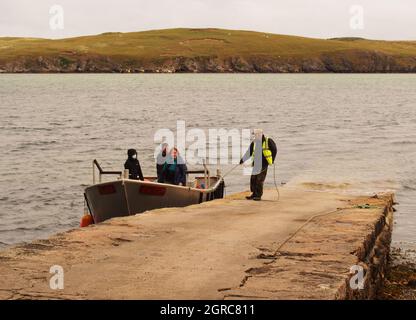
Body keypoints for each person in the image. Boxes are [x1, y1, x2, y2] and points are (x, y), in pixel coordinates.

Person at [240, 129, 277, 201]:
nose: (255, 136)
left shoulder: (268, 141)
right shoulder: (254, 143)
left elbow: (274, 149)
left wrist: (272, 160)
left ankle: (258, 195)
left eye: (256, 134)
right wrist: (242, 160)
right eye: (254, 135)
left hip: (264, 164)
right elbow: (249, 152)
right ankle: (254, 194)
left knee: (259, 180)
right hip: (255, 164)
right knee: (253, 179)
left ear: (261, 134)